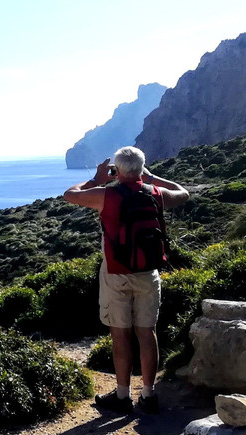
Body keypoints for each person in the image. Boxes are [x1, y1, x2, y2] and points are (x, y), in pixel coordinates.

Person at [63, 146, 190, 413]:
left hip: (116, 274)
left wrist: (97, 179)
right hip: (148, 273)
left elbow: (70, 195)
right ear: (141, 168)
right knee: (147, 333)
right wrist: (152, 178)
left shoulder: (106, 195)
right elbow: (184, 193)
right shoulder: (156, 194)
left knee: (120, 336)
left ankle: (122, 397)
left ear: (117, 171)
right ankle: (149, 394)